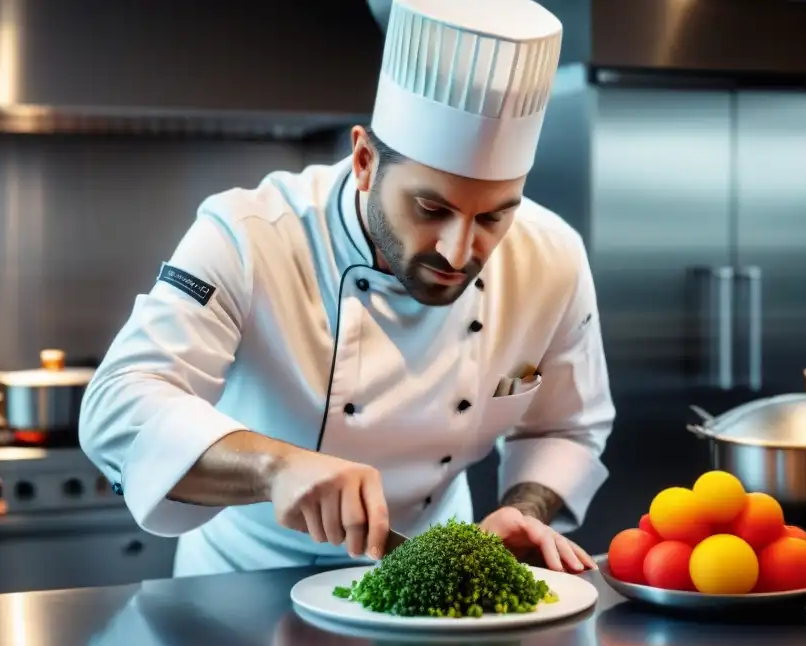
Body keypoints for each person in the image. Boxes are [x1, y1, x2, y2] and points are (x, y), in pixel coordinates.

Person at [78, 0, 615, 577]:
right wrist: (274, 467)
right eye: (431, 208)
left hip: (424, 580)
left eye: (493, 219)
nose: (460, 252)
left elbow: (567, 427)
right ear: (364, 161)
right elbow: (118, 407)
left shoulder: (551, 254)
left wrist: (521, 510)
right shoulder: (251, 235)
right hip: (241, 585)